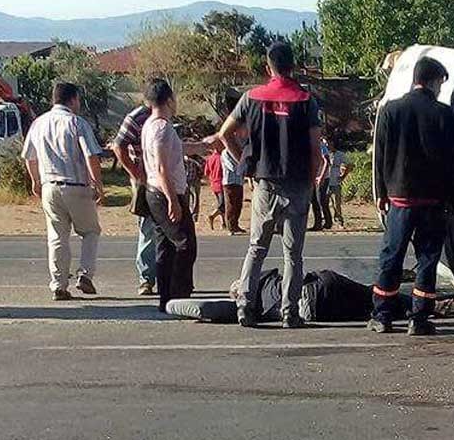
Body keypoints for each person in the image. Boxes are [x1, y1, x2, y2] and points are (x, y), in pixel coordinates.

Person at [217, 41, 323, 329]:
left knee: (256, 247)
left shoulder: (252, 97)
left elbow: (224, 134)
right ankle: (290, 311)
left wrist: (246, 164)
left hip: (265, 182)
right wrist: (313, 180)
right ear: (293, 66)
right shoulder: (305, 100)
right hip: (298, 183)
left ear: (268, 67)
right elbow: (315, 148)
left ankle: (245, 306)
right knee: (293, 254)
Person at [369, 57, 454, 336]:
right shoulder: (443, 114)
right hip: (433, 202)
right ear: (433, 81)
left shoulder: (391, 110)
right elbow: (452, 162)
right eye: (440, 84)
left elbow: (381, 155)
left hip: (399, 199)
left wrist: (382, 192)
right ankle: (419, 319)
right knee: (427, 259)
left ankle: (382, 315)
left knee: (391, 257)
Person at [22, 82, 104, 300]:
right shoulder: (76, 123)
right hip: (76, 185)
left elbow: (29, 156)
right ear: (73, 99)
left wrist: (35, 181)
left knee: (57, 237)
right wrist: (98, 183)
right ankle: (85, 275)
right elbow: (90, 155)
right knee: (90, 231)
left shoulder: (39, 123)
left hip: (50, 186)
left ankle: (59, 284)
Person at [141, 79, 203, 312]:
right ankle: (179, 295)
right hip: (163, 192)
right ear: (169, 99)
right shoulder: (162, 128)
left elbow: (174, 150)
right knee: (185, 244)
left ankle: (166, 297)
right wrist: (172, 200)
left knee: (165, 246)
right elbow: (161, 167)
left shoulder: (152, 125)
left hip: (155, 191)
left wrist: (200, 146)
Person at [164, 268, 410, 324]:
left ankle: (415, 306)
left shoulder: (249, 310)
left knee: (365, 309)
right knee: (372, 296)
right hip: (321, 285)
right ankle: (421, 303)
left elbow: (207, 309)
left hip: (315, 309)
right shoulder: (263, 276)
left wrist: (170, 305)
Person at [112, 102, 157, 295]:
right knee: (148, 228)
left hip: (165, 178)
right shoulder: (136, 118)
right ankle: (146, 279)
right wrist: (137, 174)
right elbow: (118, 146)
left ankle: (169, 276)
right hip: (146, 181)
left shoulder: (163, 115)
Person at [221, 127, 247, 235]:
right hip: (230, 181)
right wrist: (242, 166)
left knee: (238, 204)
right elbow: (232, 167)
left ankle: (236, 225)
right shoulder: (225, 153)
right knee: (230, 204)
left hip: (239, 181)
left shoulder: (240, 150)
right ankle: (230, 227)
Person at [326, 135, 352, 228]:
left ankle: (339, 220)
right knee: (324, 203)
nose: (328, 145)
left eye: (329, 143)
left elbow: (349, 165)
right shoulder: (324, 153)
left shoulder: (339, 154)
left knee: (336, 203)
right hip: (325, 181)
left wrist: (343, 176)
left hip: (335, 182)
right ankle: (327, 221)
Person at [309, 138, 331, 230]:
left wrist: (321, 177)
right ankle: (318, 223)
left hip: (322, 178)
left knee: (320, 200)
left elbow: (326, 161)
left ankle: (328, 222)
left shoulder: (320, 145)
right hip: (313, 178)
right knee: (314, 200)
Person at [203, 146, 225, 230]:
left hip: (214, 184)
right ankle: (212, 216)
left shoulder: (210, 158)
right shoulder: (221, 158)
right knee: (223, 205)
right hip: (221, 184)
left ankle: (223, 223)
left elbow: (206, 172)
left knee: (220, 203)